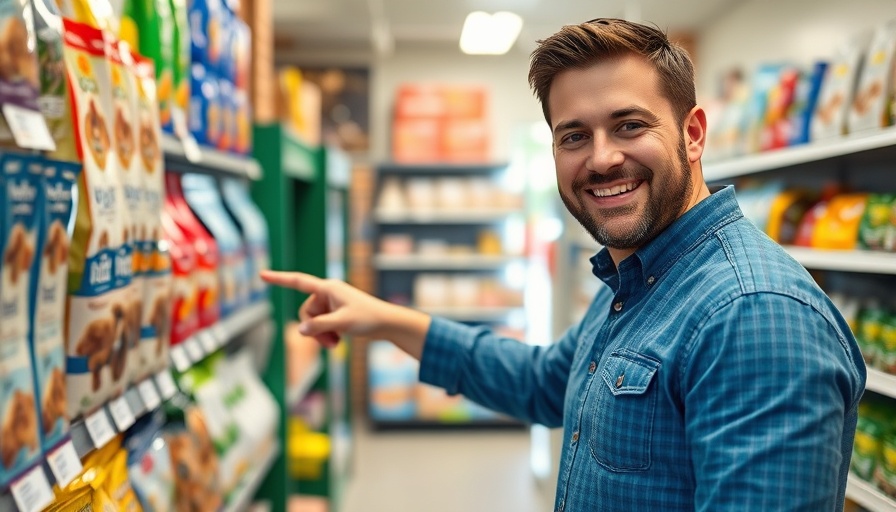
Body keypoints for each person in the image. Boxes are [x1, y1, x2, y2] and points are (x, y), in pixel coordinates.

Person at [262, 18, 866, 511]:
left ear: (693, 134)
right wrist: (386, 320)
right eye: (573, 136)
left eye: (629, 125)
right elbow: (545, 382)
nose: (601, 159)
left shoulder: (755, 317)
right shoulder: (636, 277)